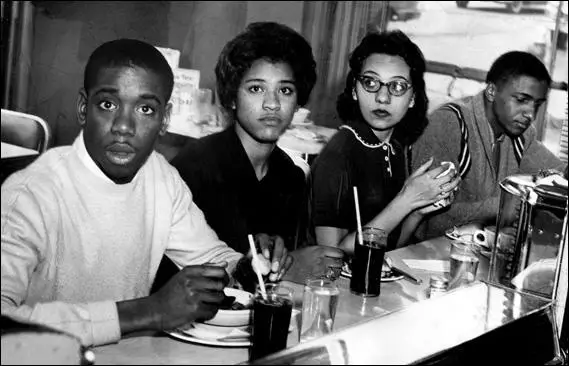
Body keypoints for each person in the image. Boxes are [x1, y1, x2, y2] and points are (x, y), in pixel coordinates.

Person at [0, 39, 283, 347]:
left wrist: (249, 266)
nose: (124, 126)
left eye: (146, 109)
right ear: (83, 108)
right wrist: (148, 311)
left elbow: (211, 258)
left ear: (164, 119)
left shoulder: (160, 177)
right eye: (108, 105)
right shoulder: (29, 196)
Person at [157, 22, 344, 287]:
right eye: (256, 88)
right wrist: (287, 265)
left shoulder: (290, 175)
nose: (272, 103)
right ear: (232, 97)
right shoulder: (196, 166)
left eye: (285, 90)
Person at [310, 30, 461, 255]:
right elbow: (330, 257)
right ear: (354, 90)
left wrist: (417, 209)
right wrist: (406, 199)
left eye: (397, 86)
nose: (382, 97)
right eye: (370, 82)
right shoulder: (338, 155)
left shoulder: (393, 147)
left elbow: (390, 247)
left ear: (413, 99)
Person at [411, 51, 567, 240]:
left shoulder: (520, 135)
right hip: (421, 256)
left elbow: (560, 176)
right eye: (521, 100)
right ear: (492, 91)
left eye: (537, 104)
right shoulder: (449, 123)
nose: (530, 114)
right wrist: (508, 205)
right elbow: (429, 221)